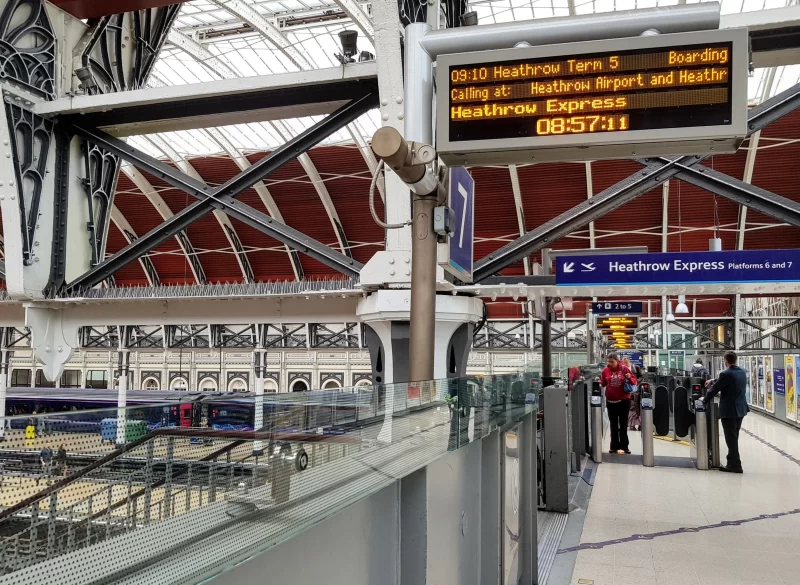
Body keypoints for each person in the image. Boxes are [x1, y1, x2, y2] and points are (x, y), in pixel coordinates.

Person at [703, 350, 748, 473]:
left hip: (729, 410)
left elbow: (714, 390)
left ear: (725, 361)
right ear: (735, 360)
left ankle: (736, 465)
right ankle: (731, 462)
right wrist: (712, 380)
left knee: (730, 438)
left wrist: (704, 400)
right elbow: (728, 379)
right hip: (741, 409)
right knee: (734, 437)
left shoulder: (726, 374)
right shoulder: (742, 372)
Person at [600, 353, 637, 454]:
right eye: (608, 361)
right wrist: (598, 382)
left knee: (623, 424)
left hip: (624, 401)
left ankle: (624, 447)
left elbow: (634, 381)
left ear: (617, 361)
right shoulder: (605, 370)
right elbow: (603, 383)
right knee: (613, 425)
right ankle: (614, 446)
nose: (610, 364)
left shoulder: (624, 369)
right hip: (610, 402)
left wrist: (629, 377)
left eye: (612, 362)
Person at [623, 357, 643, 431]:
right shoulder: (622, 369)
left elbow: (641, 376)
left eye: (626, 362)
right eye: (623, 362)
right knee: (632, 407)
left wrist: (636, 382)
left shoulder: (635, 367)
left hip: (636, 389)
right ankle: (632, 424)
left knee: (637, 406)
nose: (624, 364)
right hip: (627, 390)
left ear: (629, 361)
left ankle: (640, 423)